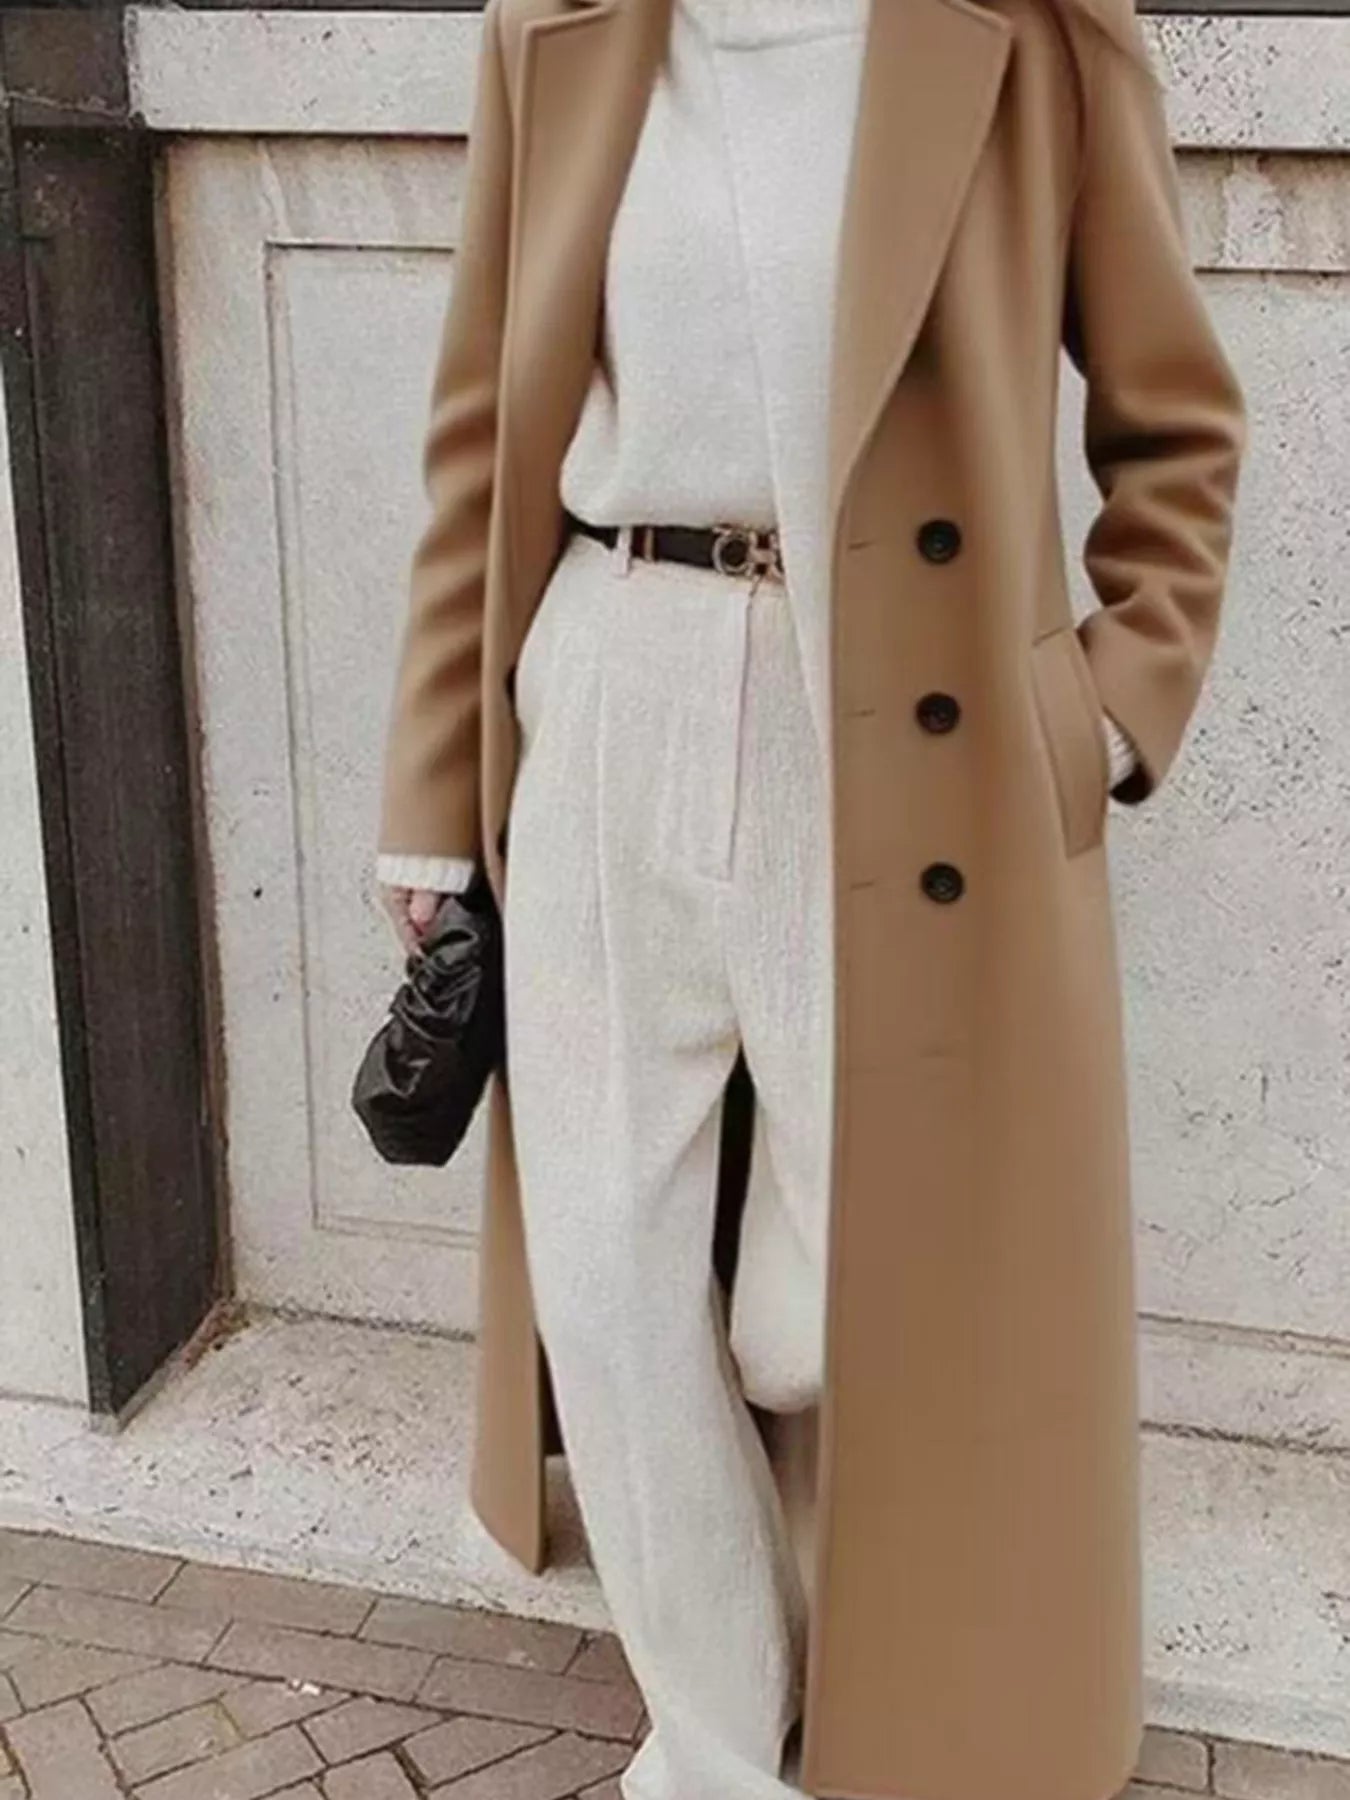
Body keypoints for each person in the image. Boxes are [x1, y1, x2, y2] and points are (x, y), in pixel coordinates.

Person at [372, 0, 1246, 1792]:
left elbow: (1177, 426)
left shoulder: (1029, 33)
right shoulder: (559, 30)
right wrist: (432, 794)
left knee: (836, 1296)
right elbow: (479, 434)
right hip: (607, 679)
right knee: (608, 1276)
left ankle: (826, 1612)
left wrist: (1103, 705)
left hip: (893, 723)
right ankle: (709, 1741)